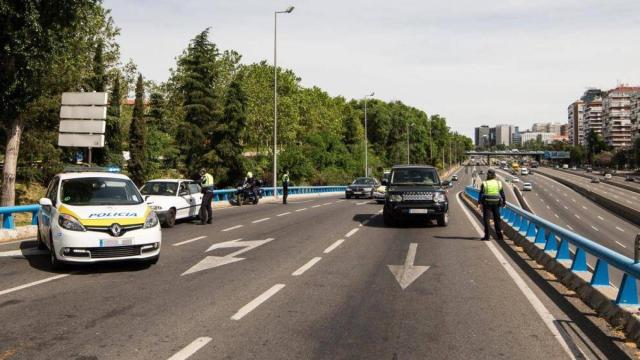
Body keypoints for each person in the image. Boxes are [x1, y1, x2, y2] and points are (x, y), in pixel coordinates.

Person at [478, 169, 505, 240]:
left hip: (486, 203)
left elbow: (481, 193)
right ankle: (500, 236)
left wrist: (479, 202)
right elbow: (502, 194)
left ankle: (487, 236)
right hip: (496, 202)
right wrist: (504, 202)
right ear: (494, 176)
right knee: (497, 219)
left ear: (487, 175)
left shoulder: (484, 183)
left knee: (486, 219)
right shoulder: (499, 183)